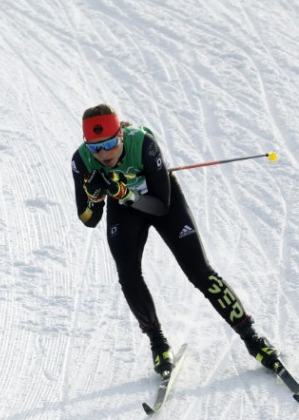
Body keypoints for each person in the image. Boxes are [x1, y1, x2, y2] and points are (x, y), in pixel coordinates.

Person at [71, 104, 279, 376]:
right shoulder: (82, 160)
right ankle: (158, 345)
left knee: (199, 272)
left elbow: (161, 206)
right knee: (128, 275)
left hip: (158, 198)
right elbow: (89, 219)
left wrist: (125, 192)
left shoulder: (143, 145)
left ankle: (253, 340)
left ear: (121, 135)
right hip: (124, 209)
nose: (104, 153)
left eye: (110, 143)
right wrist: (96, 196)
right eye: (96, 147)